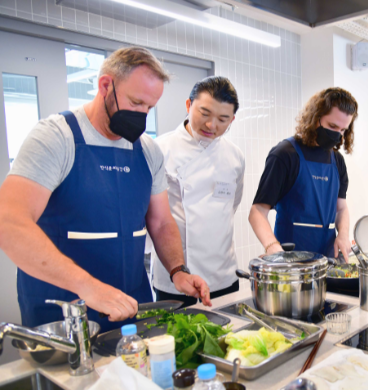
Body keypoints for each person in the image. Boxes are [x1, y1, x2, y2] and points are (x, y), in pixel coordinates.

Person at [0, 47, 211, 331]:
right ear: (105, 86)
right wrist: (88, 287)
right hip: (65, 313)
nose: (142, 115)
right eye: (136, 102)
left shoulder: (148, 150)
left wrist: (177, 271)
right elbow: (9, 223)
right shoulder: (55, 138)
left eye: (149, 108)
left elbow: (160, 222)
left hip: (132, 306)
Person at [150, 76, 244, 308]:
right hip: (176, 276)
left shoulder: (235, 156)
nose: (212, 126)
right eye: (204, 114)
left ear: (232, 119)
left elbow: (231, 206)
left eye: (223, 119)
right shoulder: (159, 149)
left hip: (222, 273)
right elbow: (153, 216)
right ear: (188, 106)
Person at [249, 88, 358, 258]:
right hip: (291, 263)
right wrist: (272, 247)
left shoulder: (337, 161)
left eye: (343, 130)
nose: (336, 135)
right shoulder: (285, 155)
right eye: (332, 126)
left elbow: (341, 208)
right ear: (316, 117)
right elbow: (257, 212)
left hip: (327, 260)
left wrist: (343, 235)